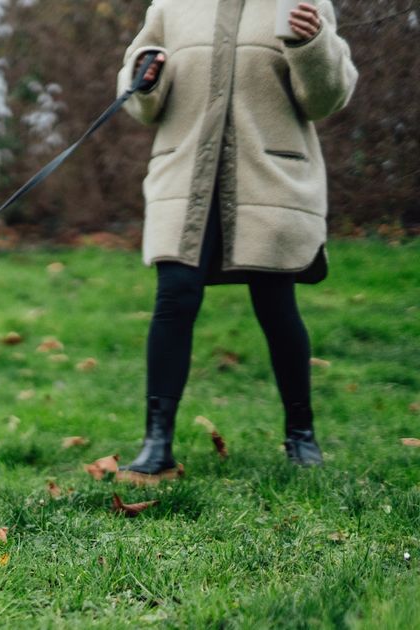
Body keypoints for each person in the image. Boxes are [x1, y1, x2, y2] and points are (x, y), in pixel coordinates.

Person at [115, 0, 357, 476]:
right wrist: (147, 78)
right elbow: (140, 98)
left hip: (269, 180)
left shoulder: (302, 2)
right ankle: (157, 441)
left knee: (275, 302)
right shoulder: (171, 6)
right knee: (174, 299)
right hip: (185, 184)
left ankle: (300, 436)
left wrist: (312, 44)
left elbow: (325, 99)